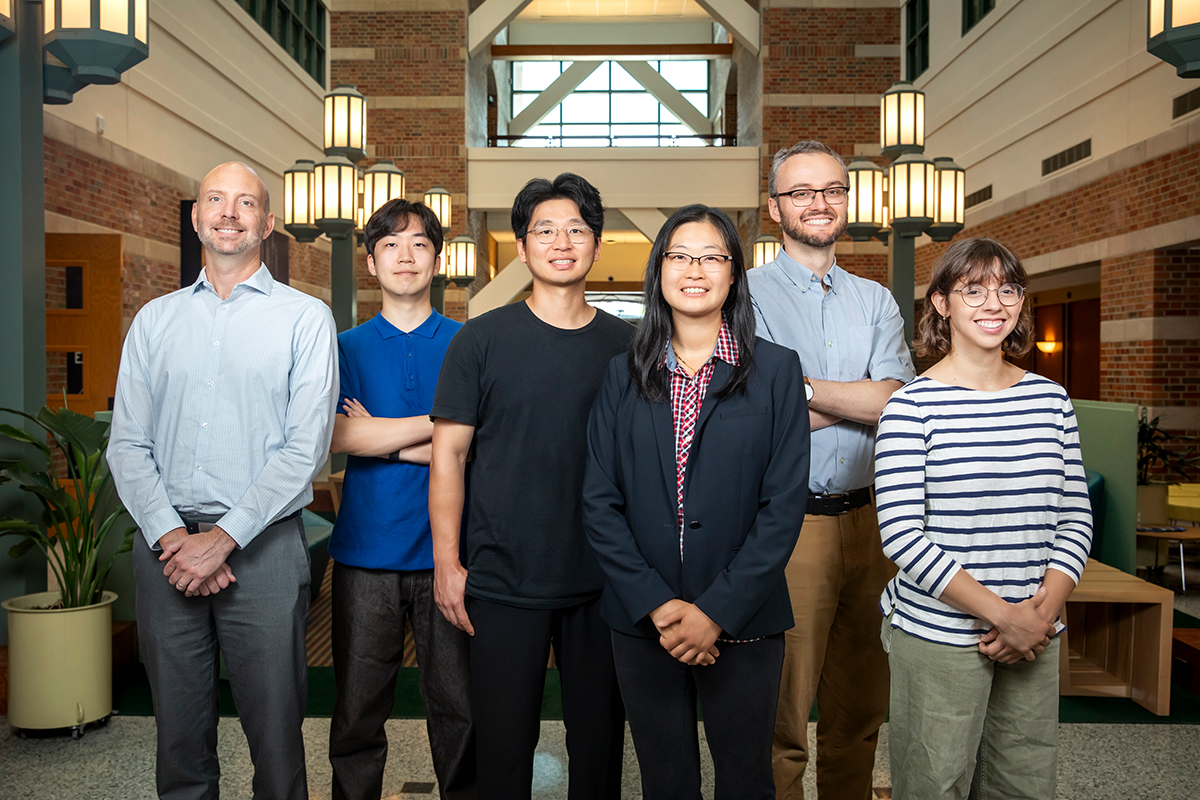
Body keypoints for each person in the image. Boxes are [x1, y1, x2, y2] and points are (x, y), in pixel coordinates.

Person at [108, 161, 338, 800]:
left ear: (268, 222)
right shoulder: (155, 321)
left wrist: (224, 539)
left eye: (245, 202)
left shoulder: (305, 319)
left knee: (277, 741)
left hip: (262, 549)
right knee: (179, 742)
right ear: (196, 216)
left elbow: (305, 450)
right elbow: (127, 443)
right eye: (215, 199)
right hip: (166, 553)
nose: (228, 212)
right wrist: (172, 536)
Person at [583, 204, 810, 800]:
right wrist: (658, 605)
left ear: (734, 273)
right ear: (659, 270)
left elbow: (783, 506)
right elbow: (599, 501)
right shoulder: (622, 374)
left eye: (712, 256)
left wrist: (713, 613)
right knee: (665, 779)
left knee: (745, 780)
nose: (695, 269)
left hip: (744, 620)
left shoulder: (777, 372)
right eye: (680, 256)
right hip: (643, 620)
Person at [428, 173, 630, 799]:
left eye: (576, 230)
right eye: (545, 230)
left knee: (598, 748)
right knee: (503, 749)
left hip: (604, 581)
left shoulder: (629, 345)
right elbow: (448, 456)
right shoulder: (480, 339)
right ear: (522, 248)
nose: (561, 242)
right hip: (502, 578)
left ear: (596, 245)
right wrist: (446, 565)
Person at [874, 237, 1093, 799]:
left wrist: (1041, 612)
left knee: (1023, 784)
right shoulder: (911, 406)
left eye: (1008, 289)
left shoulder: (1051, 400)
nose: (993, 303)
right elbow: (901, 535)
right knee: (934, 783)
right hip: (940, 634)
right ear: (942, 303)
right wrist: (1003, 615)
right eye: (973, 290)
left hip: (1036, 633)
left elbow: (1074, 516)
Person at [747, 140, 915, 800]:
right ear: (774, 207)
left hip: (877, 524)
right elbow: (754, 413)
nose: (819, 202)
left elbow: (899, 404)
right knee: (782, 712)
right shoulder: (745, 295)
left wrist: (801, 389)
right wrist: (858, 396)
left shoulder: (876, 300)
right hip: (791, 525)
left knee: (861, 708)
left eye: (832, 190)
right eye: (800, 192)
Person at [327, 198, 474, 800]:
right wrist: (441, 430)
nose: (405, 256)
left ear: (437, 259)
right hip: (365, 555)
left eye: (418, 244)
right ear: (370, 261)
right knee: (358, 714)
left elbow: (483, 446)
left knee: (461, 712)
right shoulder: (343, 345)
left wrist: (384, 437)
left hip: (454, 558)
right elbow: (338, 437)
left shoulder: (469, 343)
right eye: (390, 244)